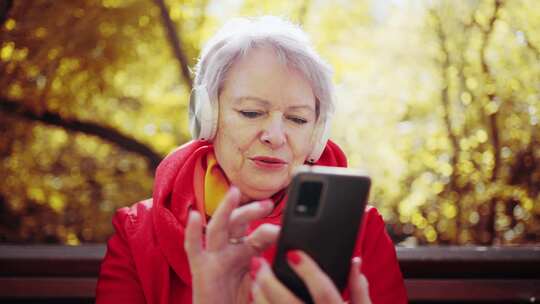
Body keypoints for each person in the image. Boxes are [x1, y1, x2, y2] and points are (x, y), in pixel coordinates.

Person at [96, 16, 407, 304]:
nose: (275, 135)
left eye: (297, 119)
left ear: (318, 133)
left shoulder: (363, 231)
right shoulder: (137, 232)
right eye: (251, 112)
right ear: (207, 117)